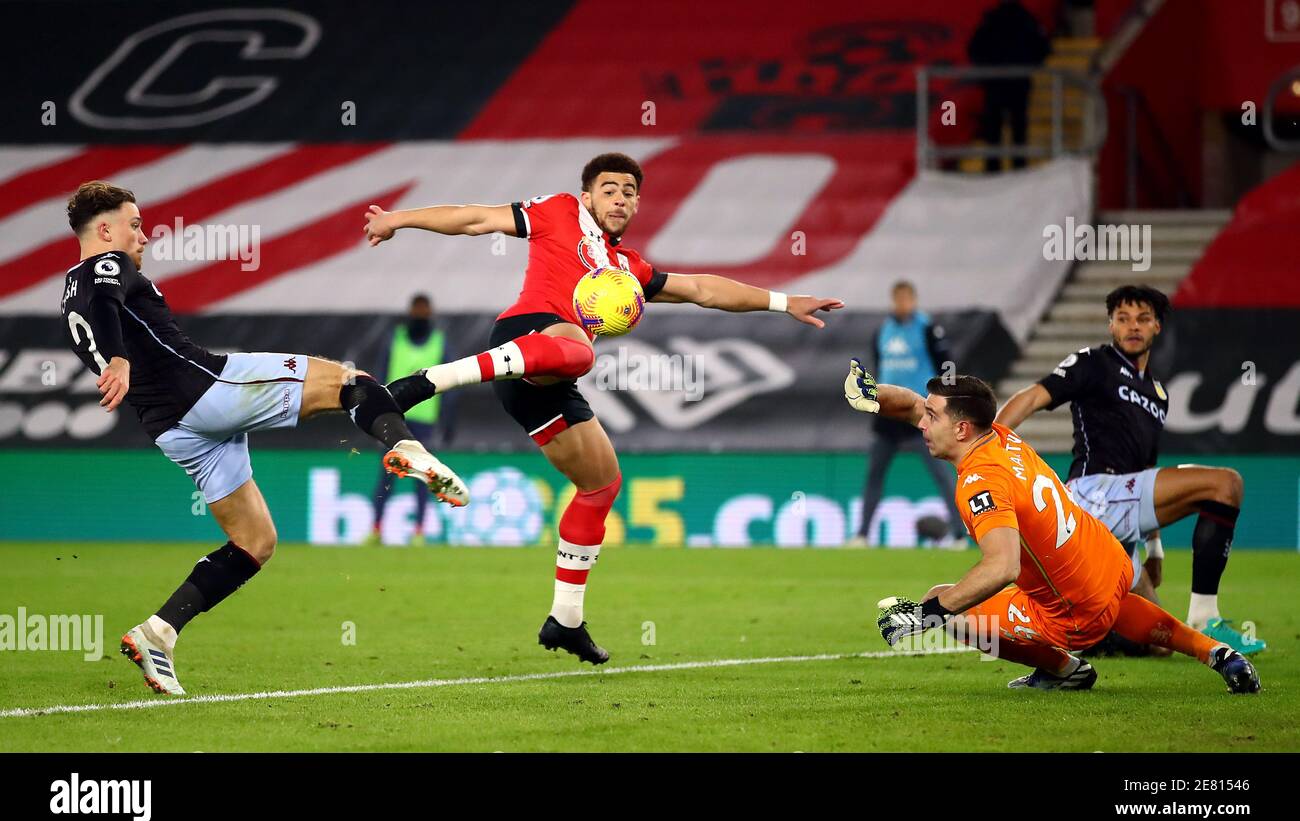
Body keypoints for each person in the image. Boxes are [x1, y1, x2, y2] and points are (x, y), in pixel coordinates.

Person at [363, 152, 844, 664]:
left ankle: (565, 620)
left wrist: (782, 301)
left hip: (552, 375)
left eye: (630, 191)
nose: (620, 197)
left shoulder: (628, 269)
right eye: (610, 188)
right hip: (528, 336)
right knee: (581, 349)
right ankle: (422, 384)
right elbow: (477, 218)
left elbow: (703, 289)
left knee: (601, 484)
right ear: (588, 195)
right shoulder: (559, 211)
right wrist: (398, 219)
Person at [59, 181, 466, 696]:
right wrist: (119, 356)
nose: (143, 235)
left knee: (255, 542)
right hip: (206, 389)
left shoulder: (67, 292)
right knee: (352, 382)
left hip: (172, 428)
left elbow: (98, 306)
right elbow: (105, 299)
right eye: (135, 224)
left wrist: (120, 357)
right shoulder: (104, 267)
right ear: (104, 230)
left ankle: (158, 632)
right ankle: (405, 446)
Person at [844, 365, 1260, 694]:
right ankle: (1218, 654)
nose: (922, 424)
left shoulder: (980, 481)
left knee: (945, 602)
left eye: (932, 418)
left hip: (1073, 614)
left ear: (961, 430)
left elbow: (1002, 566)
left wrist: (928, 616)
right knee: (1107, 602)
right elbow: (913, 405)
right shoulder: (999, 437)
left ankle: (1063, 669)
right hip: (1108, 561)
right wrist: (870, 395)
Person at [995, 285, 1263, 654]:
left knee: (1160, 643)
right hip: (1094, 496)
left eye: (1143, 319)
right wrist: (991, 447)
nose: (1132, 326)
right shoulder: (1093, 362)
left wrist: (1155, 549)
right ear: (1111, 325)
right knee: (1226, 484)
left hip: (1125, 513)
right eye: (1123, 319)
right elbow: (1032, 397)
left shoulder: (1158, 394)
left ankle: (1093, 639)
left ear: (1157, 327)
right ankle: (1205, 617)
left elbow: (1146, 468)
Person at [849, 280, 966, 548]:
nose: (902, 304)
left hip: (919, 412)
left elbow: (946, 363)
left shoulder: (928, 329)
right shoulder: (883, 330)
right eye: (898, 299)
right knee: (875, 473)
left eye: (906, 299)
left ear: (913, 300)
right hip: (888, 413)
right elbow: (879, 365)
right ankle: (862, 534)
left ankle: (960, 534)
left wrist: (943, 401)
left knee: (941, 472)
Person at [365, 294, 458, 546]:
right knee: (387, 475)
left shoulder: (439, 342)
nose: (419, 316)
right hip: (394, 418)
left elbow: (451, 381)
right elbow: (379, 378)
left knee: (424, 477)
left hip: (424, 422)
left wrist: (447, 420)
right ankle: (376, 528)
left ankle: (418, 530)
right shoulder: (395, 339)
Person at [967, 0, 1050, 172]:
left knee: (995, 130)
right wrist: (1029, 66)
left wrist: (986, 70)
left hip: (997, 85)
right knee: (1017, 129)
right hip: (1016, 84)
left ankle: (993, 169)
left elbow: (974, 48)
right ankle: (1018, 167)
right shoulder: (1026, 20)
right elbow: (1044, 48)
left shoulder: (993, 19)